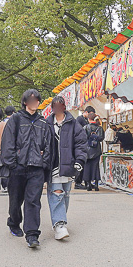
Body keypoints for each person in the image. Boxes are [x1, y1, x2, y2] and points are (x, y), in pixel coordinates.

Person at [0, 89, 54, 249]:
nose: (34, 103)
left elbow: (48, 145)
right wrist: (12, 163)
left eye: (36, 100)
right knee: (15, 200)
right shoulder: (15, 119)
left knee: (33, 201)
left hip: (36, 169)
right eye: (30, 100)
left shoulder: (43, 123)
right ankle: (14, 222)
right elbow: (7, 142)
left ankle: (32, 234)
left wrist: (44, 163)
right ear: (24, 102)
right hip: (18, 168)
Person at [46, 96, 87, 240]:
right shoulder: (47, 124)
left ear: (64, 106)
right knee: (57, 193)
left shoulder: (74, 124)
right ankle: (60, 225)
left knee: (65, 194)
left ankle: (60, 220)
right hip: (53, 167)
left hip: (69, 165)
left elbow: (81, 144)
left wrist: (80, 160)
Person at [82, 112, 104, 191]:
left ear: (88, 119)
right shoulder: (99, 128)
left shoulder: (85, 127)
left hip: (87, 150)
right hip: (96, 150)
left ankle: (88, 185)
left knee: (87, 167)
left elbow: (82, 138)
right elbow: (101, 138)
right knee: (95, 167)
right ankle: (96, 185)